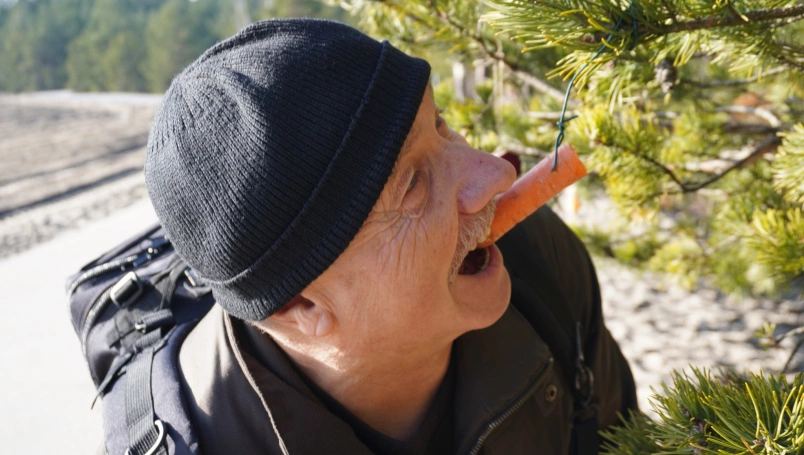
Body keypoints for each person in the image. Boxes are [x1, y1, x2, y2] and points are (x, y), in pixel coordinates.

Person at [144, 18, 637, 454]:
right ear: (304, 308)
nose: (495, 175)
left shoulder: (536, 263)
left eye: (441, 124)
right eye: (413, 184)